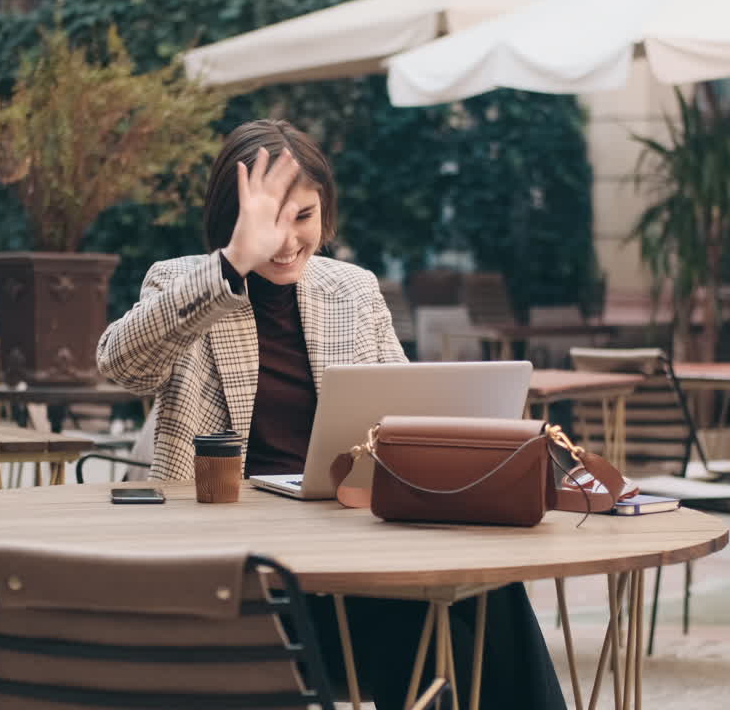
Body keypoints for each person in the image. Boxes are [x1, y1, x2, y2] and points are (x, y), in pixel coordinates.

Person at [97, 119, 565, 709]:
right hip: (240, 573)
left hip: (352, 553)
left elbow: (411, 418)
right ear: (233, 220)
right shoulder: (182, 283)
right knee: (421, 631)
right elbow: (120, 365)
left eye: (305, 217)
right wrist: (233, 264)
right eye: (272, 221)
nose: (289, 242)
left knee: (487, 596)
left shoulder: (353, 290)